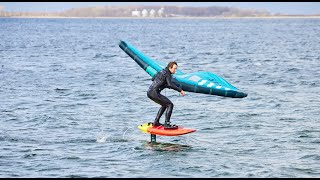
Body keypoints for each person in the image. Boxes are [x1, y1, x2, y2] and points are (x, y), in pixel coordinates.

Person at [147, 61, 185, 129]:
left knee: (164, 105)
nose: (175, 70)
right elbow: (170, 84)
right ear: (170, 68)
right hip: (154, 93)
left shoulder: (161, 71)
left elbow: (153, 79)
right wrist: (180, 90)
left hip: (149, 92)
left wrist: (164, 84)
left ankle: (156, 122)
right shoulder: (168, 73)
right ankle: (167, 124)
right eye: (175, 68)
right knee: (170, 105)